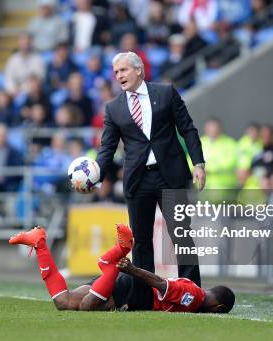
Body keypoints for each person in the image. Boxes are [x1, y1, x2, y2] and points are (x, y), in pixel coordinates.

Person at [80, 52, 205, 296]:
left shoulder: (166, 93)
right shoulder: (113, 108)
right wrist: (94, 177)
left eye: (123, 70)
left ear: (139, 70)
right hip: (138, 180)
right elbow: (107, 148)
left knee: (181, 235)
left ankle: (192, 293)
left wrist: (198, 163)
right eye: (116, 72)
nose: (119, 76)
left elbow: (188, 129)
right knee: (141, 242)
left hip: (171, 176)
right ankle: (144, 297)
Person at [9, 225, 234, 313]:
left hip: (128, 286)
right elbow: (161, 283)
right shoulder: (194, 296)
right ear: (219, 307)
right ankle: (115, 257)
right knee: (86, 307)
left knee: (64, 302)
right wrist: (132, 269)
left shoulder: (194, 290)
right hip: (132, 291)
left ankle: (39, 243)